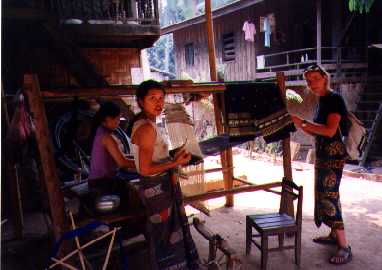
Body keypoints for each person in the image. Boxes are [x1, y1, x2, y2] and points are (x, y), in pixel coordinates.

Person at [128, 80, 200, 270]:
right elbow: (144, 169)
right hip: (156, 189)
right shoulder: (146, 129)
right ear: (141, 102)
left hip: (158, 187)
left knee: (165, 234)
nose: (158, 103)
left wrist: (172, 155)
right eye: (152, 98)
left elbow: (152, 158)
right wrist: (176, 162)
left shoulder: (146, 123)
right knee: (166, 237)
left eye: (161, 98)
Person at [291, 64, 352, 265]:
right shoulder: (322, 100)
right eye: (308, 81)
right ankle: (333, 234)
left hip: (333, 156)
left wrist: (302, 123)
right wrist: (302, 124)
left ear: (325, 78)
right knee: (326, 194)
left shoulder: (334, 99)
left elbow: (329, 130)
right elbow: (317, 130)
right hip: (323, 155)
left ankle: (344, 246)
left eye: (315, 79)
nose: (312, 84)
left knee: (330, 197)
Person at [89, 101, 135, 181]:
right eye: (117, 119)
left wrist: (136, 158)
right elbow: (122, 162)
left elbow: (119, 156)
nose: (119, 123)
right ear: (108, 119)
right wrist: (144, 163)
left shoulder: (101, 130)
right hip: (100, 183)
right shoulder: (106, 137)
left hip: (102, 179)